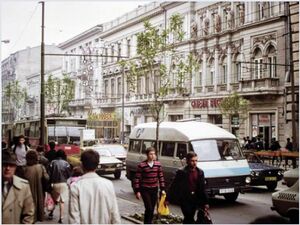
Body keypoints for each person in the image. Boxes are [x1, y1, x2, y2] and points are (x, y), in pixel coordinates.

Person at [69, 149, 121, 224]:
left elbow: (74, 219)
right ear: (97, 165)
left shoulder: (75, 187)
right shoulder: (108, 185)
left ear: (82, 165)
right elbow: (115, 214)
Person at [166, 152, 209, 224]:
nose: (194, 163)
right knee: (189, 216)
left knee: (189, 217)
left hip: (195, 198)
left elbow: (202, 188)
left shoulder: (200, 172)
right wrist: (168, 198)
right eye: (192, 161)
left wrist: (206, 202)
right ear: (187, 161)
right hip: (185, 199)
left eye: (196, 161)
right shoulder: (182, 172)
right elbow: (173, 185)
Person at [134, 147, 166, 224]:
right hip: (145, 189)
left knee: (151, 209)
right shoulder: (142, 165)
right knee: (149, 207)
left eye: (154, 154)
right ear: (147, 155)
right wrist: (137, 191)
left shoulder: (158, 164)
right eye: (150, 154)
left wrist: (162, 189)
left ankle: (148, 222)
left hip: (154, 189)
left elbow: (161, 177)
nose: (153, 156)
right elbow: (137, 179)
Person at [2, 150, 35, 224]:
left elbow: (29, 214)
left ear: (15, 167)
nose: (7, 168)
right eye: (4, 165)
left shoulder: (24, 186)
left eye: (11, 165)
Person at [24, 150, 49, 222]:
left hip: (27, 193)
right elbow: (47, 178)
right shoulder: (41, 167)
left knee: (28, 212)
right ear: (36, 158)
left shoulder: (24, 169)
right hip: (39, 191)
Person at [48, 149, 72, 223]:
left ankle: (51, 213)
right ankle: (61, 218)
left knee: (54, 200)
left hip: (54, 183)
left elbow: (49, 173)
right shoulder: (66, 163)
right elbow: (69, 174)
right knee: (62, 201)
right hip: (63, 184)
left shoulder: (52, 162)